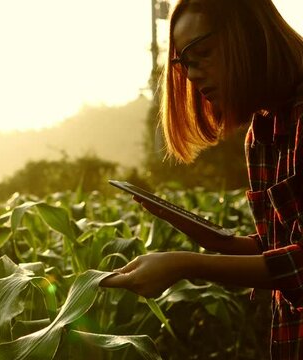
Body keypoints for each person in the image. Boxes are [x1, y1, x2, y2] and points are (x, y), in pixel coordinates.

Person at [99, 0, 303, 357]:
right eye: (183, 62)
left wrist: (186, 263)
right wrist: (214, 239)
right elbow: (278, 248)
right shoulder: (263, 131)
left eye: (201, 53)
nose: (191, 74)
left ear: (249, 36)